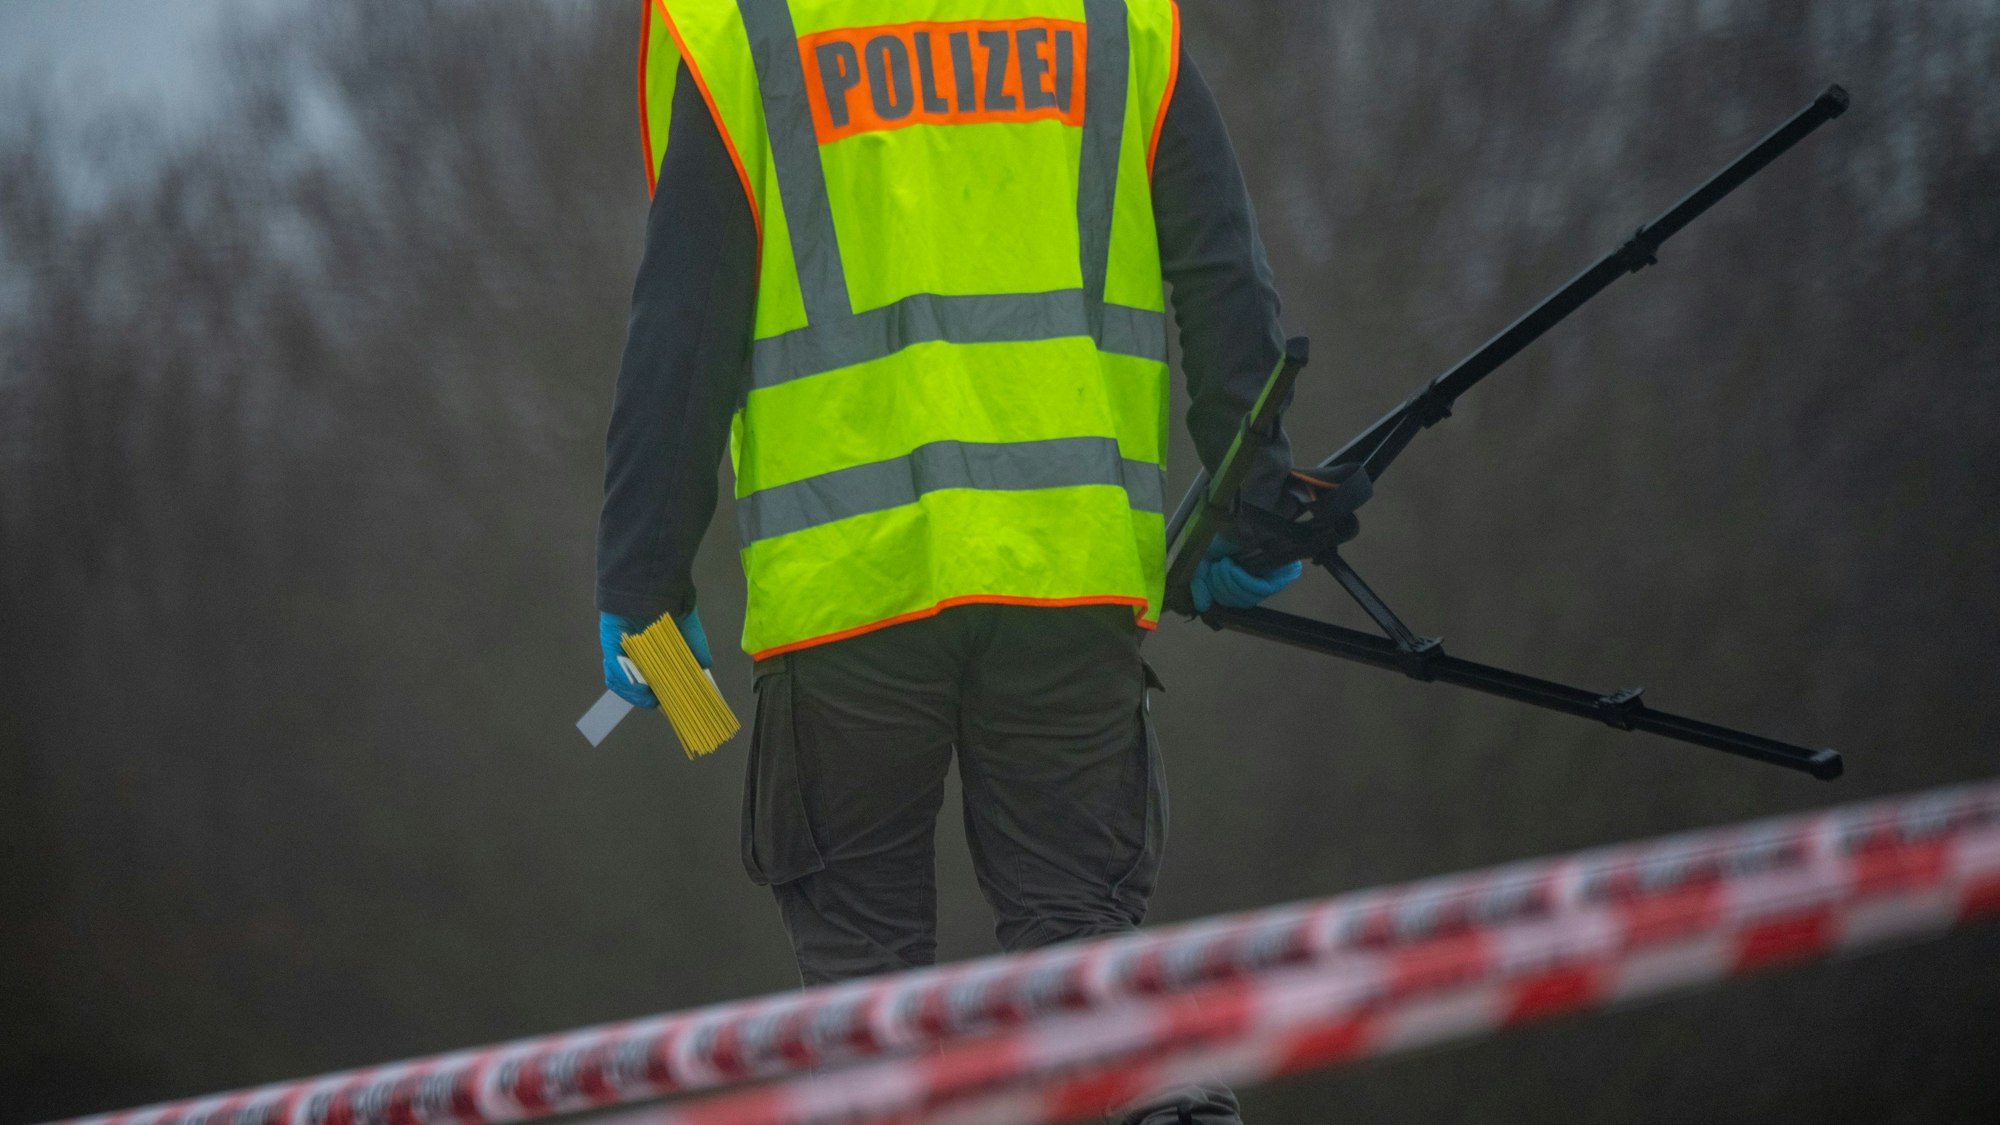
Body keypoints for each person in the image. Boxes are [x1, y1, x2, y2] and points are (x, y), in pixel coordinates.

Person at [597, 3, 1302, 1120]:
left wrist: (643, 580)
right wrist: (1251, 511)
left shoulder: (746, 27)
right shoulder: (1113, 18)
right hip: (1061, 575)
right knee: (1081, 950)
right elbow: (1220, 273)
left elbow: (684, 321)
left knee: (863, 998)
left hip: (847, 597)